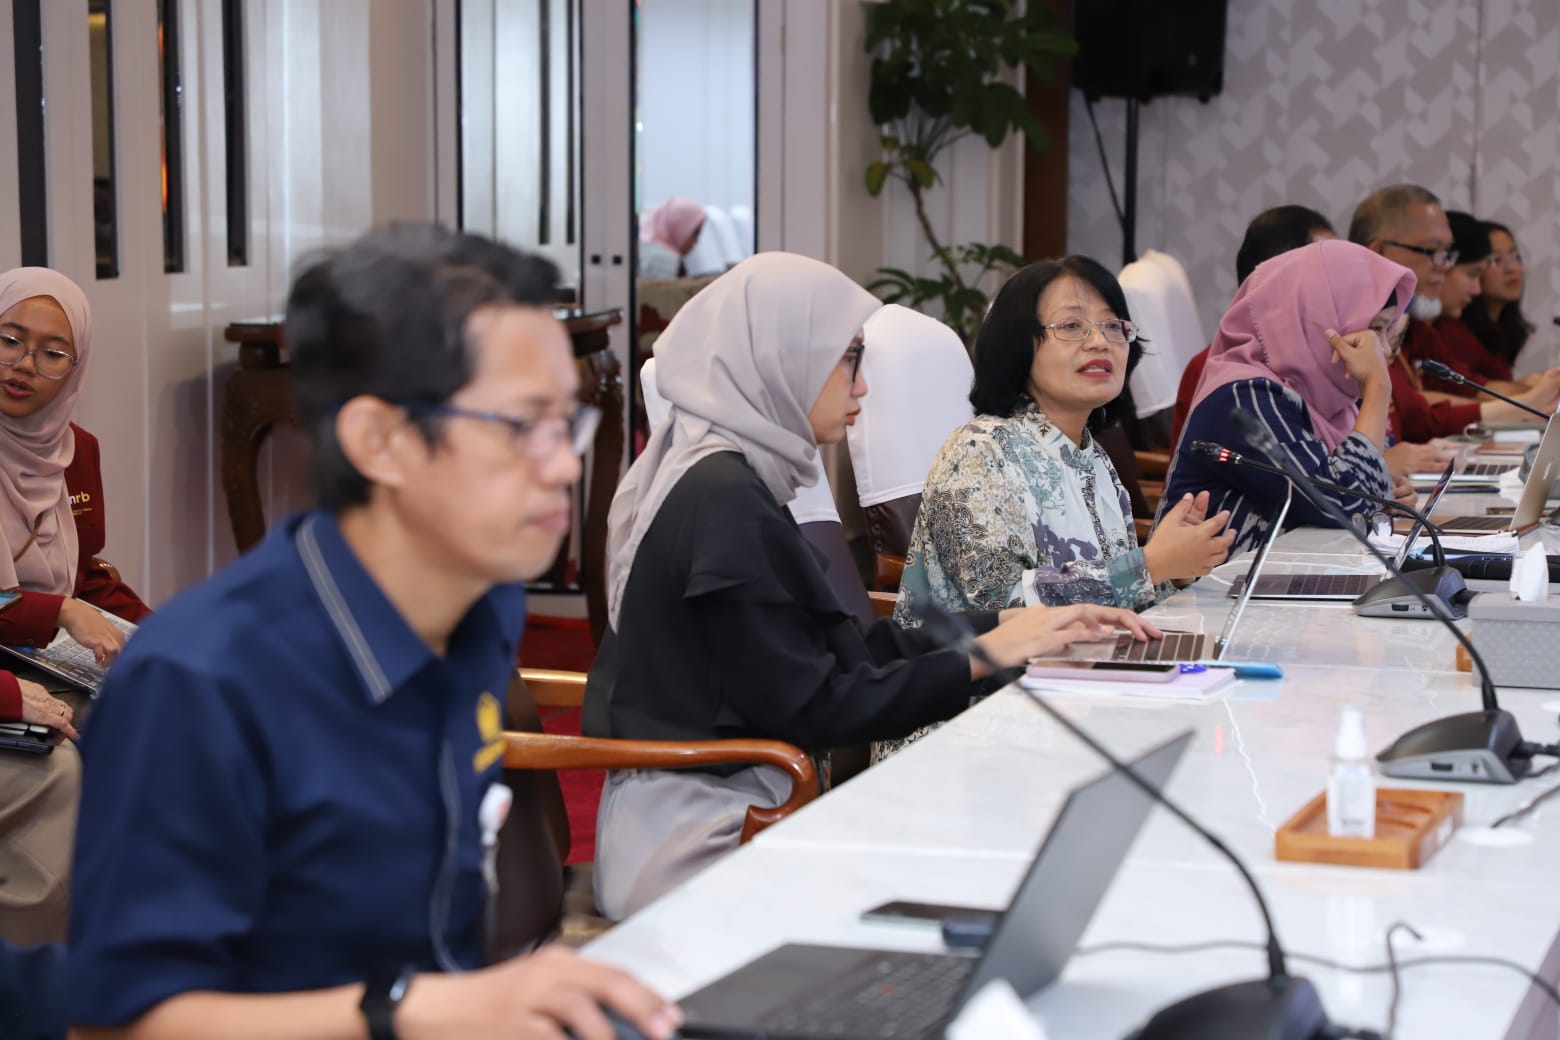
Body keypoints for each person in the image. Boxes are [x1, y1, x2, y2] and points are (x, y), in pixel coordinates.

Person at [67, 226, 681, 1040]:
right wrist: (414, 1010)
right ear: (378, 440)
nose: (566, 464)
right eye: (520, 425)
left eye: (566, 423)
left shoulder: (478, 605)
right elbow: (122, 1022)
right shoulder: (200, 679)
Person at [582, 252, 1158, 921]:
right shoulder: (721, 501)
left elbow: (843, 650)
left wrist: (996, 627)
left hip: (754, 799)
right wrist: (984, 655)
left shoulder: (736, 480)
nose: (862, 382)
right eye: (848, 355)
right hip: (708, 839)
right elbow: (818, 703)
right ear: (780, 357)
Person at [897, 256, 1235, 626]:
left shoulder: (1091, 456)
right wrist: (1150, 564)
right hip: (992, 679)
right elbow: (998, 608)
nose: (1099, 342)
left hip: (1085, 663)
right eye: (1073, 325)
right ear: (1018, 346)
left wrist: (1175, 572)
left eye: (1112, 325)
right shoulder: (979, 451)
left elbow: (1125, 603)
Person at [1165, 240, 1412, 553]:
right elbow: (1340, 507)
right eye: (1375, 329)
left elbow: (1359, 506)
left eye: (1387, 331)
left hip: (1292, 582)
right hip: (1212, 595)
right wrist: (1378, 388)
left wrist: (1386, 494)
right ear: (1324, 321)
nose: (1384, 350)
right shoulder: (1245, 396)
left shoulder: (1333, 403)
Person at [0, 269, 148, 666]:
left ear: (75, 370)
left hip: (42, 652)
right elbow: (71, 605)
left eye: (53, 354)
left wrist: (162, 632)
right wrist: (61, 611)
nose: (26, 365)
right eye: (9, 341)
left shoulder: (74, 450)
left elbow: (85, 578)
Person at [1349, 186, 1560, 440]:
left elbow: (1447, 392)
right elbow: (1417, 411)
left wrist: (1529, 395)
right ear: (1379, 252)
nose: (1445, 266)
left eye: (1449, 253)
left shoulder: (1417, 329)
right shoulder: (1353, 329)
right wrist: (1527, 401)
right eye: (1433, 251)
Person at [1170, 205, 1336, 450]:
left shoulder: (1324, 361)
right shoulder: (1227, 376)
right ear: (1279, 283)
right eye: (1330, 273)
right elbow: (1300, 481)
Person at [1465, 221, 1538, 373]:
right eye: (1496, 260)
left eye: (1515, 256)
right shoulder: (1457, 334)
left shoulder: (1503, 328)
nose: (1511, 268)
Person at [638, 196, 706, 279]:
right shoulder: (664, 260)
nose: (696, 241)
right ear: (680, 226)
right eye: (695, 232)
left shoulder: (640, 244)